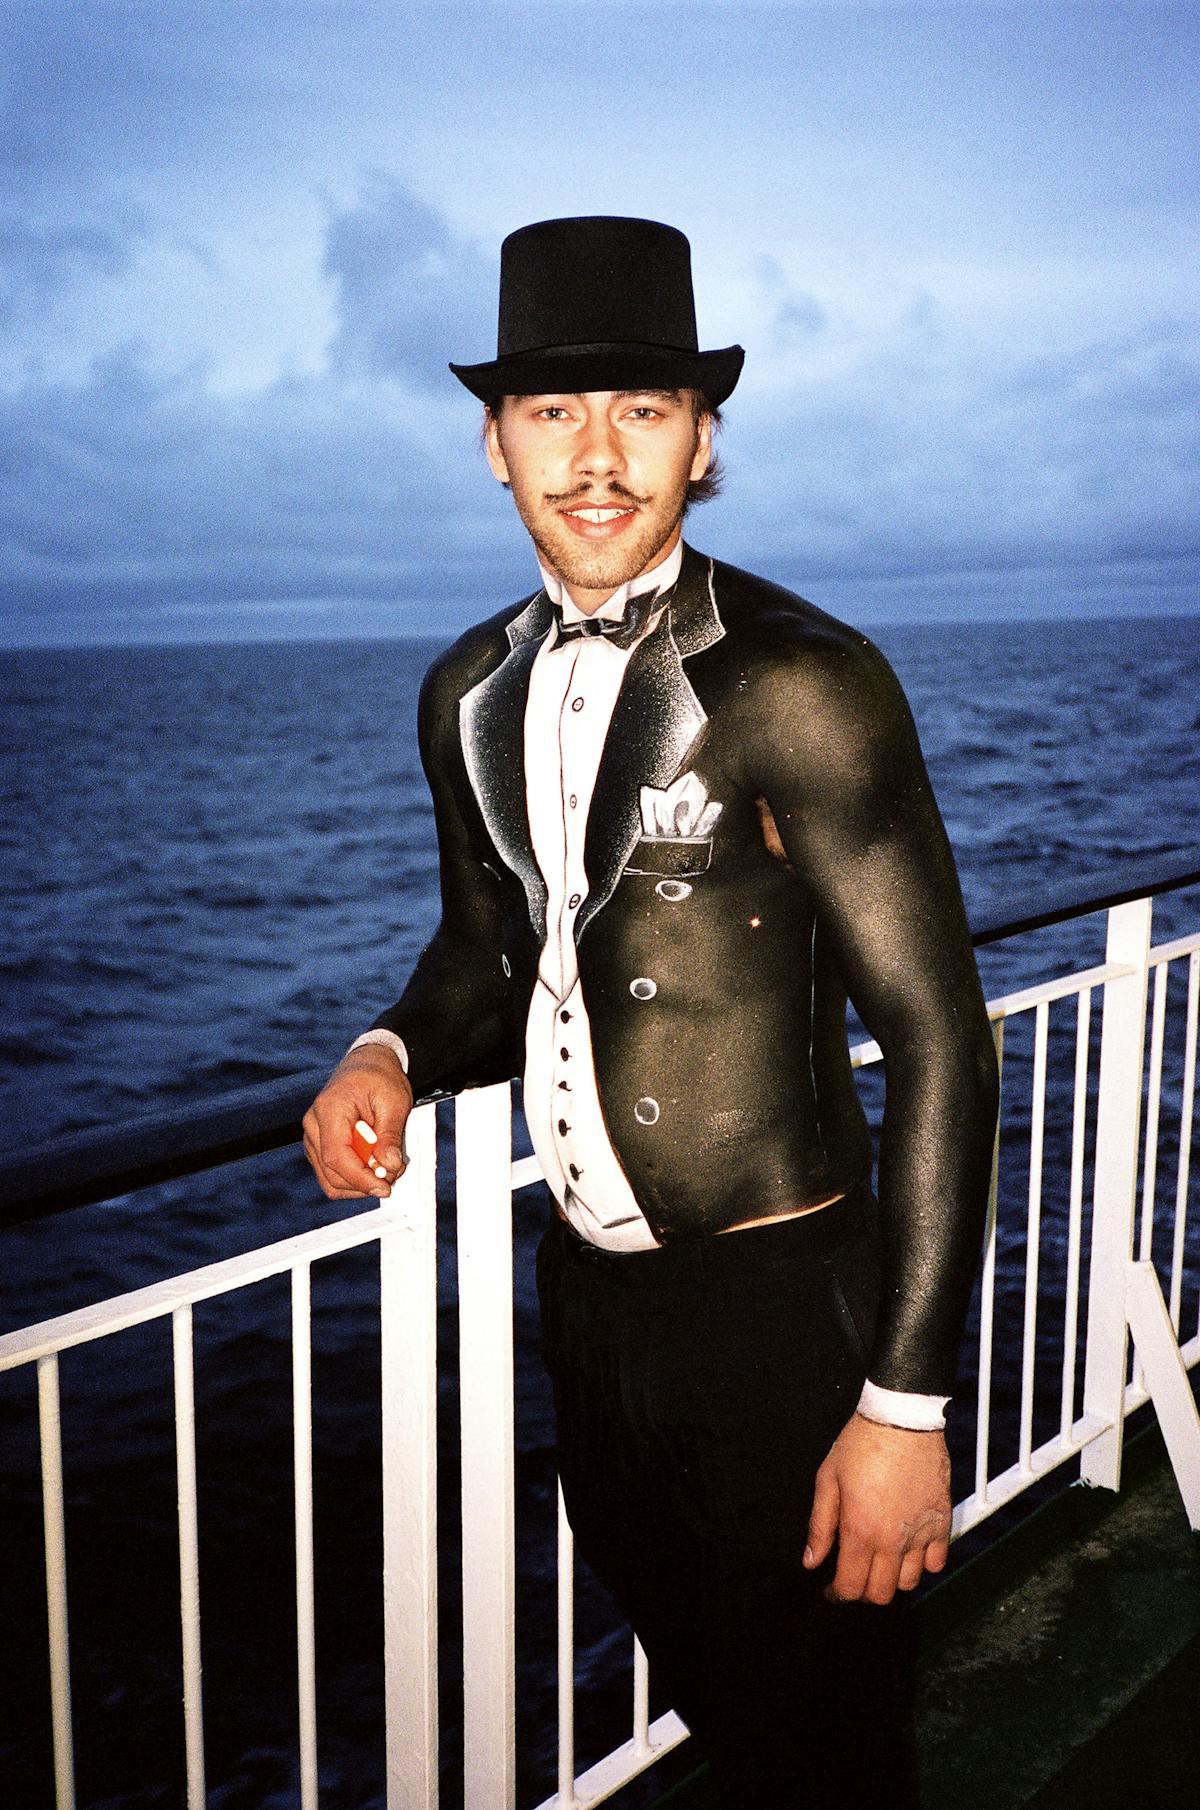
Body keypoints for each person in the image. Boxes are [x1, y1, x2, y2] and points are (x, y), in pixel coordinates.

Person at [303, 215, 999, 1806]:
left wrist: (904, 1405)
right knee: (723, 1707)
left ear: (703, 438)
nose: (598, 456)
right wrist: (389, 1048)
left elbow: (944, 1042)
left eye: (643, 408)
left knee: (832, 1758)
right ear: (495, 443)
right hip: (591, 1313)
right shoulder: (466, 689)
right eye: (554, 411)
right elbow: (491, 949)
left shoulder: (802, 682)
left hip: (784, 1320)